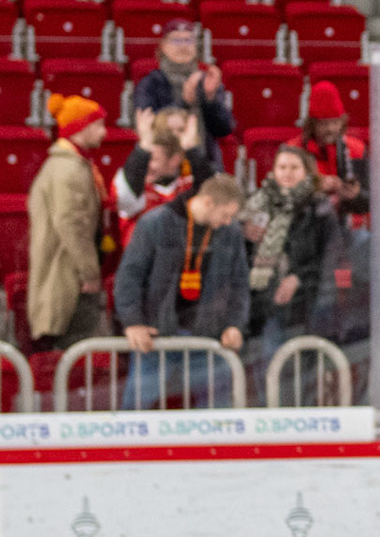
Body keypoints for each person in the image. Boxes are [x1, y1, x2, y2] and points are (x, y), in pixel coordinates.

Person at [113, 174, 251, 409]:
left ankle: (214, 447)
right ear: (208, 202)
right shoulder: (154, 223)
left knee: (219, 414)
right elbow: (129, 276)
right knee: (135, 409)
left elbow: (239, 283)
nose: (229, 221)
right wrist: (133, 322)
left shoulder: (231, 233)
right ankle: (128, 446)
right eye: (225, 214)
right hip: (157, 336)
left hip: (209, 337)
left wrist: (235, 324)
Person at [242, 145, 341, 364]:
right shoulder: (255, 205)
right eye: (282, 167)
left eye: (294, 167)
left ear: (307, 172)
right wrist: (245, 236)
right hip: (262, 304)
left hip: (305, 306)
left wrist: (298, 278)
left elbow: (329, 258)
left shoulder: (320, 210)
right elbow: (241, 259)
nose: (287, 173)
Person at [27, 94, 110, 351]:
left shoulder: (71, 166)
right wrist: (89, 271)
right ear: (82, 127)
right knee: (73, 348)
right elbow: (71, 224)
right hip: (69, 276)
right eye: (98, 125)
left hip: (68, 271)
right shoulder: (69, 170)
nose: (105, 132)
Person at [132, 21, 236, 174]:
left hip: (204, 165)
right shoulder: (150, 83)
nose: (183, 46)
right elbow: (150, 127)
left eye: (188, 40)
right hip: (164, 170)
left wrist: (210, 99)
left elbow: (224, 129)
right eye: (176, 40)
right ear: (163, 46)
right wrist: (184, 103)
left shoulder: (206, 81)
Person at [116, 110, 210, 249]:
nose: (175, 135)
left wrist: (192, 149)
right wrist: (143, 149)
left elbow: (213, 195)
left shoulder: (189, 183)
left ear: (174, 160)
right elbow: (125, 197)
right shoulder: (132, 182)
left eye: (152, 159)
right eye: (168, 129)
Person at [289, 81, 368, 217]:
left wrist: (356, 195)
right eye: (324, 123)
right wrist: (314, 188)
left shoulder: (356, 149)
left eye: (335, 122)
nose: (331, 129)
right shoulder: (293, 151)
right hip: (307, 227)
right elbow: (282, 199)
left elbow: (370, 202)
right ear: (312, 124)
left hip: (347, 226)